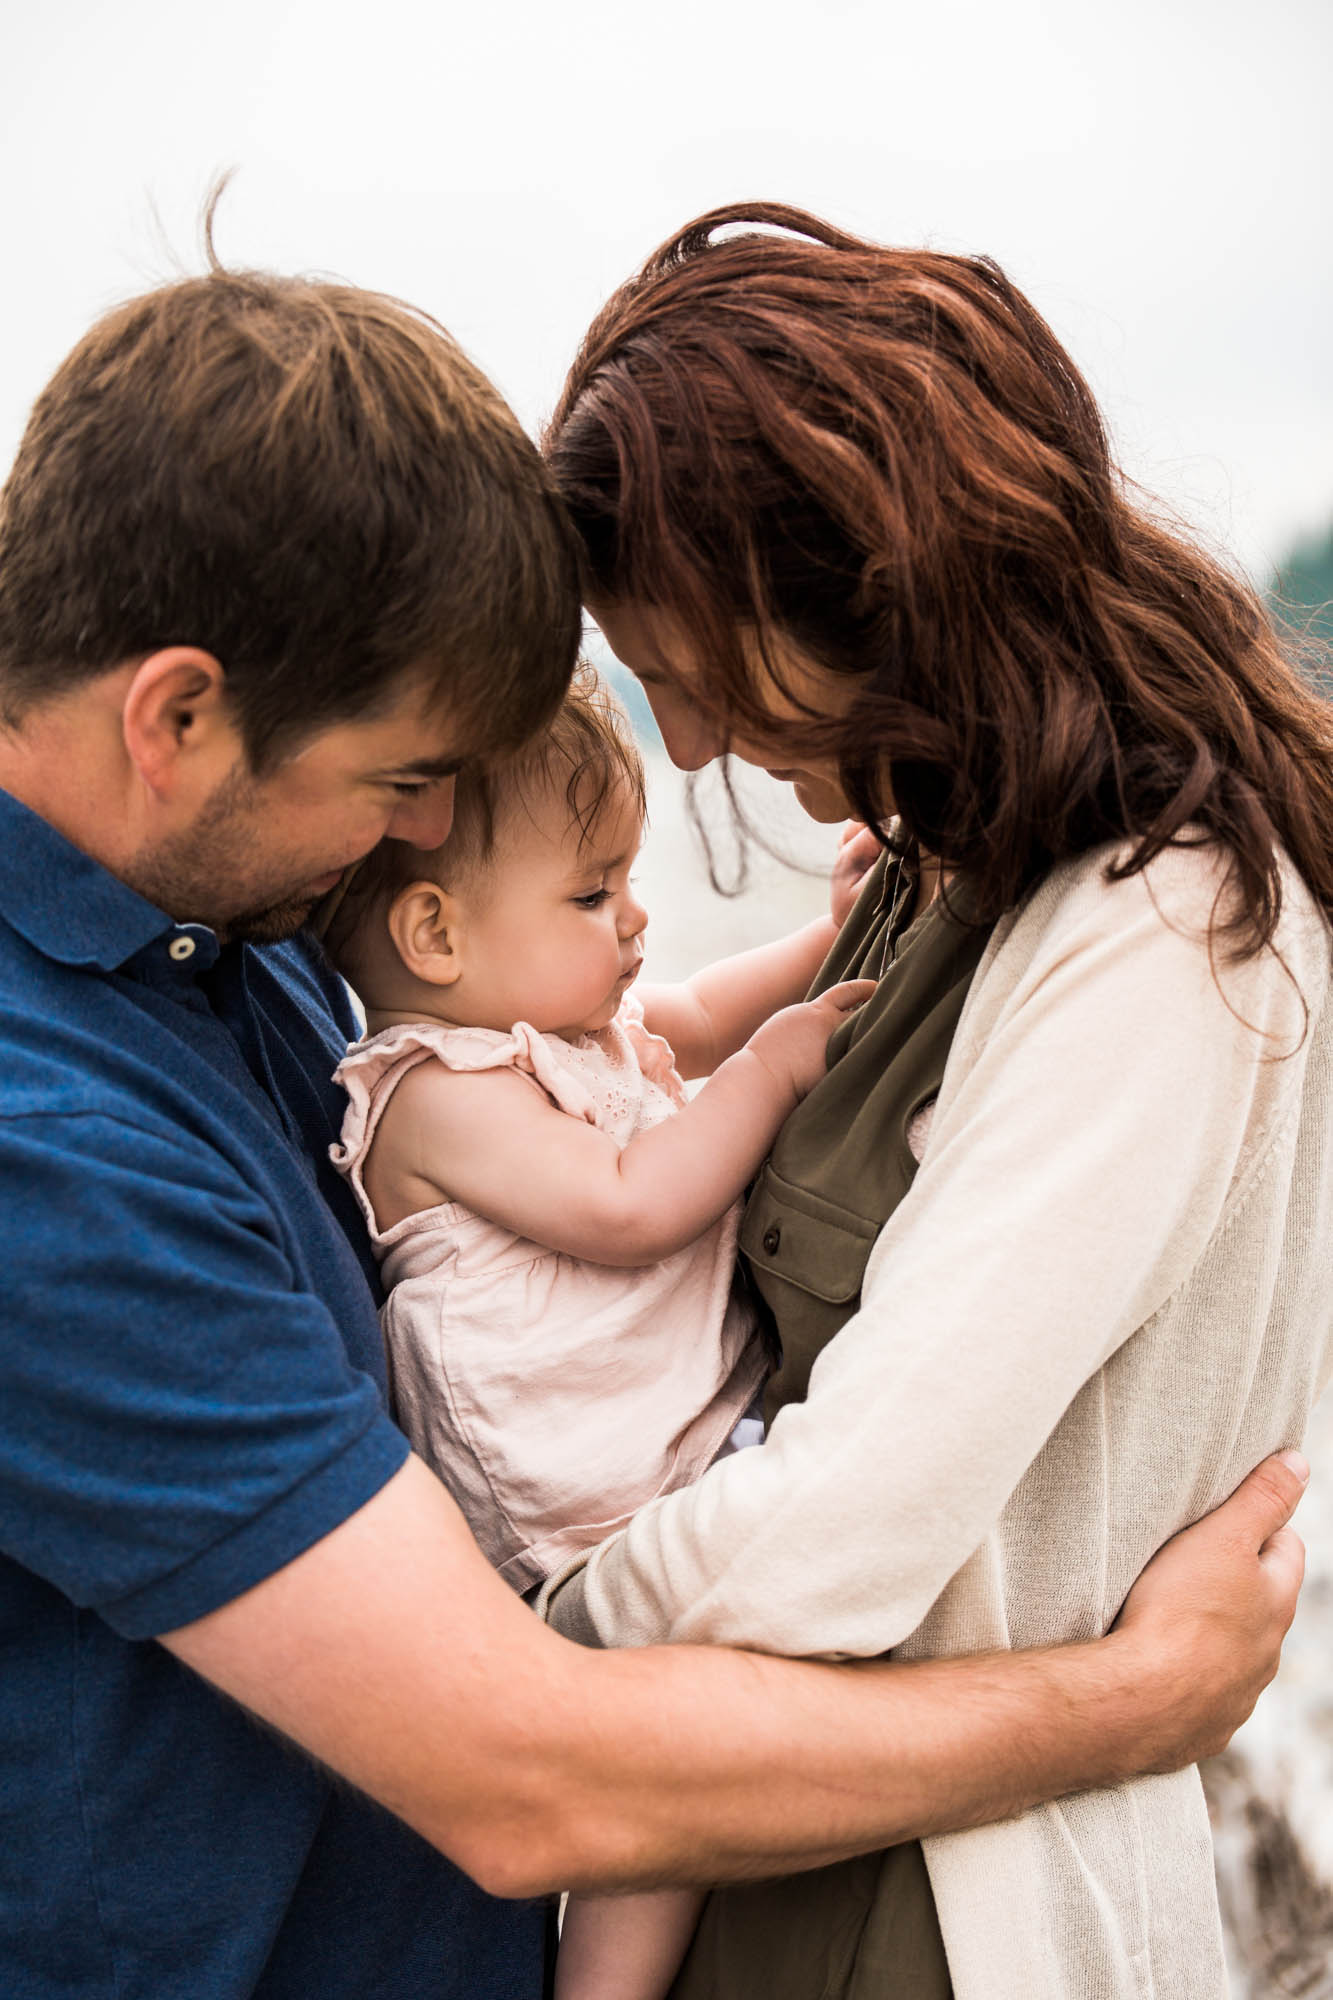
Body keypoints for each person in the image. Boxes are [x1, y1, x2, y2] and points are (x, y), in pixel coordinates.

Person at [0, 247, 1309, 2000]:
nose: (424, 845)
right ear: (176, 715)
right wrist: (1133, 1705)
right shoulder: (50, 1152)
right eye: (402, 783)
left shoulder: (245, 952)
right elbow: (523, 1769)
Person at [539, 201, 1333, 1999]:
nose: (683, 749)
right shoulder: (946, 873)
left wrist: (497, 1660)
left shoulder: (1165, 927)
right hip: (773, 1843)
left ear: (863, 587)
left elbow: (842, 1528)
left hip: (923, 1909)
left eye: (690, 673)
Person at [321, 664, 874, 1998]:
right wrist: (778, 1068)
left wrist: (830, 940)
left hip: (664, 1449)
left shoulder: (565, 1027)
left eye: (627, 878)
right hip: (578, 1504)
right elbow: (630, 1206)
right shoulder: (430, 1097)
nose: (635, 920)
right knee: (662, 1780)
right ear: (435, 934)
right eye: (590, 894)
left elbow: (684, 1017)